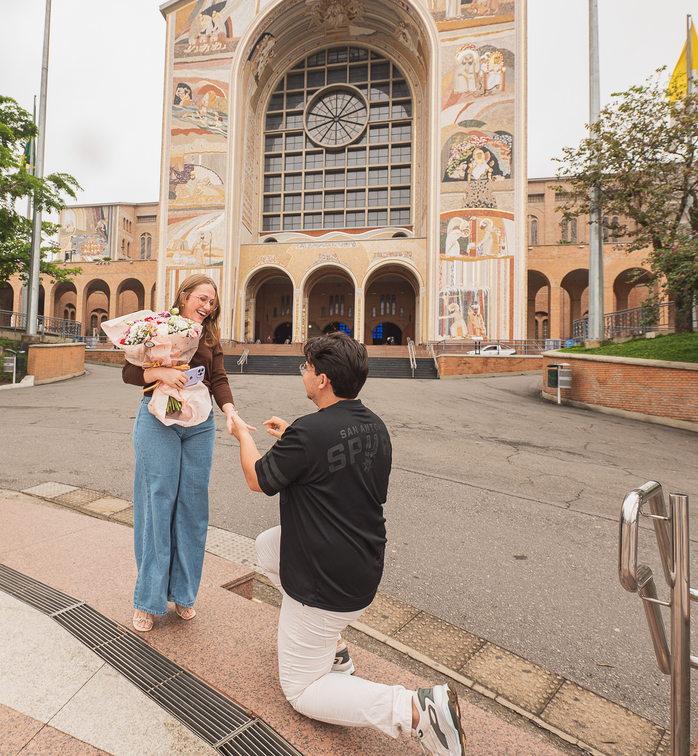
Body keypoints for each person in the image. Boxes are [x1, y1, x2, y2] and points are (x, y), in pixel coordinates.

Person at [228, 332, 467, 756]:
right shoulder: (374, 425)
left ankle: (416, 710)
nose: (302, 372)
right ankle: (333, 645)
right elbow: (337, 470)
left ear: (322, 380)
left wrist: (243, 437)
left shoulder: (310, 433)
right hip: (362, 563)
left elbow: (256, 479)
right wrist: (291, 439)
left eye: (305, 367)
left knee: (301, 690)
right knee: (268, 546)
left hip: (325, 582)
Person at [122, 275, 248, 632]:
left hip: (199, 424)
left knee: (193, 509)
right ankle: (148, 600)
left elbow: (218, 378)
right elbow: (128, 372)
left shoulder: (209, 336)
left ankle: (184, 594)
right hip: (158, 420)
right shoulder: (157, 325)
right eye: (202, 299)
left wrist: (231, 411)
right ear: (185, 297)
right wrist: (160, 370)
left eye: (212, 303)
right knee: (157, 504)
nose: (207, 307)